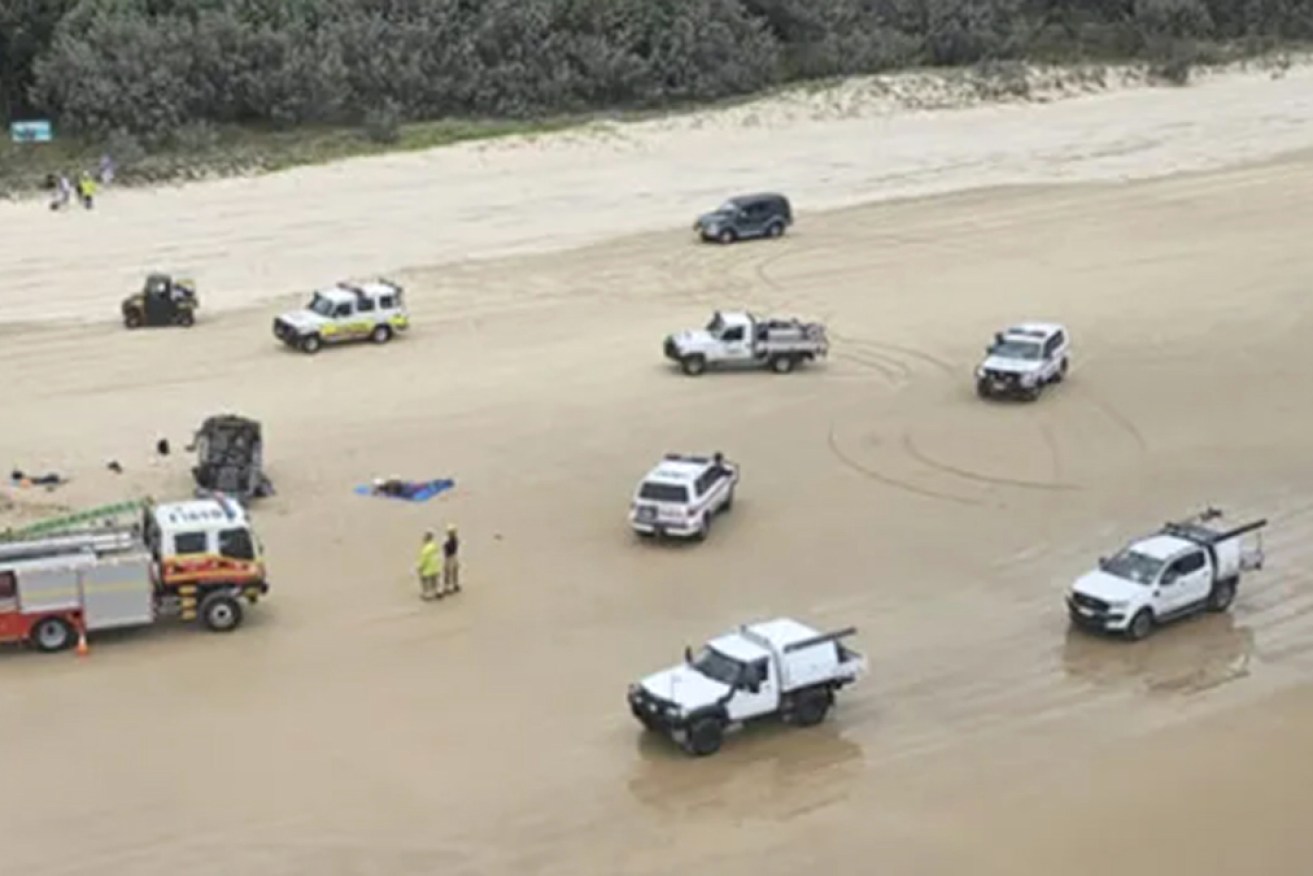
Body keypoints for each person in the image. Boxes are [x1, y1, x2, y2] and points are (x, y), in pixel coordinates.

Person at [417, 531, 442, 601]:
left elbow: (423, 560)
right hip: (436, 567)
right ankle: (438, 591)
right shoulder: (435, 546)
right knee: (435, 581)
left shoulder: (425, 550)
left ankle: (427, 594)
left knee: (425, 581)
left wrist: (419, 567)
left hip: (428, 569)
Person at [441, 523, 460, 595]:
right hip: (455, 556)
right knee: (455, 571)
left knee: (448, 572)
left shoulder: (449, 542)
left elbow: (446, 549)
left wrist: (445, 544)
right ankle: (456, 584)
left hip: (449, 558)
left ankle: (449, 587)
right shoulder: (456, 540)